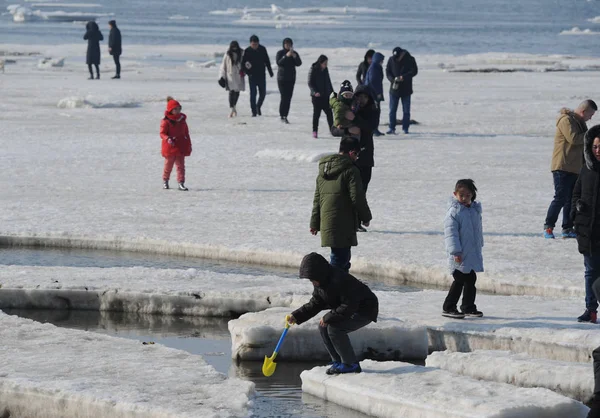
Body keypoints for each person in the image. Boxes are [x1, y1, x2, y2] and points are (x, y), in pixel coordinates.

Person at [288, 252, 379, 375]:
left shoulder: (339, 280)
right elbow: (316, 303)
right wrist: (296, 315)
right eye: (310, 279)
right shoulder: (321, 282)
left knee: (335, 329)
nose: (312, 282)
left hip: (365, 309)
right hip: (349, 308)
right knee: (323, 326)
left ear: (319, 273)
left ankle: (350, 364)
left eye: (312, 279)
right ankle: (338, 361)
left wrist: (329, 316)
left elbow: (349, 305)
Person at [310, 137, 372, 272]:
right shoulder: (351, 170)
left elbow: (317, 199)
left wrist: (314, 223)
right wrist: (366, 217)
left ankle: (341, 290)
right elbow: (357, 197)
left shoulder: (323, 171)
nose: (357, 158)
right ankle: (331, 290)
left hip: (328, 221)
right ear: (351, 152)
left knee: (341, 260)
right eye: (357, 154)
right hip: (343, 222)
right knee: (339, 262)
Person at [545, 100, 597, 239]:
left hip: (575, 167)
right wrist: (591, 135)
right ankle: (548, 227)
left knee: (571, 199)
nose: (590, 118)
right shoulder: (566, 120)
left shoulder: (580, 123)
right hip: (562, 166)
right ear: (583, 111)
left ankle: (567, 228)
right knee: (560, 198)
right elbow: (574, 138)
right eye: (590, 115)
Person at [571, 124, 600, 323]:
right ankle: (591, 309)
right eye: (595, 147)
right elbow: (575, 194)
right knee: (590, 273)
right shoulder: (586, 169)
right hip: (588, 232)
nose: (598, 151)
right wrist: (577, 210)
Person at [443, 179, 484, 319]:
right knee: (459, 279)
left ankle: (468, 307)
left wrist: (479, 246)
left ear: (473, 195)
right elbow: (451, 234)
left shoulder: (474, 211)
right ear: (455, 194)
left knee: (471, 279)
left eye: (468, 195)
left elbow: (477, 231)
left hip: (471, 253)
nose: (465, 198)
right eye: (462, 195)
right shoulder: (454, 212)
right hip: (459, 254)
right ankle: (449, 307)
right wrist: (455, 252)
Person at [159, 97, 192, 191]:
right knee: (168, 165)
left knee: (181, 166)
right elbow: (162, 133)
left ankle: (181, 183)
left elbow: (186, 133)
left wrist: (188, 144)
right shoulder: (166, 121)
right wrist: (167, 138)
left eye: (179, 108)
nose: (178, 111)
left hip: (180, 145)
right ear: (170, 110)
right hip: (170, 146)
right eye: (175, 109)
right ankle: (165, 181)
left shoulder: (182, 120)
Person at [351, 85, 378, 197]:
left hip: (365, 155)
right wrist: (347, 129)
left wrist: (354, 119)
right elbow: (335, 129)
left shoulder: (372, 110)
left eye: (364, 97)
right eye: (359, 97)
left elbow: (370, 126)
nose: (361, 100)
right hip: (349, 155)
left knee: (362, 188)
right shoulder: (350, 109)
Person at [386, 47, 418, 135]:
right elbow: (387, 72)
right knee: (392, 110)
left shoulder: (410, 59)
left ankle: (405, 128)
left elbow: (414, 71)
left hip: (406, 89)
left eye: (398, 57)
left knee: (406, 111)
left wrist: (404, 77)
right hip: (394, 89)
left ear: (402, 54)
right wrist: (393, 80)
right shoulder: (391, 59)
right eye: (395, 57)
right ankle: (391, 128)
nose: (396, 59)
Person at [241, 34, 273, 117]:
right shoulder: (247, 51)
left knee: (263, 93)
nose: (255, 46)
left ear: (258, 43)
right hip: (252, 76)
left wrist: (270, 72)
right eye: (253, 44)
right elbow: (243, 64)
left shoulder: (262, 49)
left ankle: (258, 106)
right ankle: (254, 112)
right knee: (253, 94)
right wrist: (247, 72)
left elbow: (267, 60)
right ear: (250, 43)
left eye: (256, 44)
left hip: (261, 75)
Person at [276, 37, 302, 124]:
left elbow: (299, 63)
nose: (288, 46)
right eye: (286, 44)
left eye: (289, 44)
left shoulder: (294, 53)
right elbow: (279, 62)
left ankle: (285, 115)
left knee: (288, 98)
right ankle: (282, 115)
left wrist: (294, 57)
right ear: (283, 45)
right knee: (284, 97)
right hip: (282, 78)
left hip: (291, 79)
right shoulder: (280, 53)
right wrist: (286, 56)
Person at [308, 55, 334, 139]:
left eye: (327, 63)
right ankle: (314, 131)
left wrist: (332, 93)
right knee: (316, 114)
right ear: (320, 62)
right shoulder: (314, 69)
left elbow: (328, 82)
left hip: (325, 95)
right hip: (317, 97)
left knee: (329, 113)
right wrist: (314, 92)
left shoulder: (325, 70)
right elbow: (310, 82)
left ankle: (332, 129)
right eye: (324, 63)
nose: (326, 64)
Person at [219, 40, 245, 118]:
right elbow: (223, 66)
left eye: (235, 47)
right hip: (230, 76)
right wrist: (221, 76)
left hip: (239, 76)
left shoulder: (242, 53)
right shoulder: (227, 54)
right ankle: (232, 108)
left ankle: (234, 106)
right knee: (231, 92)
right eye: (233, 47)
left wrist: (245, 71)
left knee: (237, 92)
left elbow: (245, 64)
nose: (234, 49)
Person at [364, 52, 385, 137]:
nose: (382, 62)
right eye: (381, 60)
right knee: (374, 112)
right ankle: (373, 129)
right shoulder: (374, 68)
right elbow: (373, 82)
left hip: (372, 94)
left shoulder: (375, 67)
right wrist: (378, 93)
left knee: (375, 112)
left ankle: (374, 129)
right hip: (373, 94)